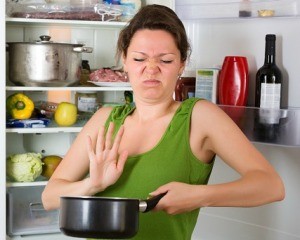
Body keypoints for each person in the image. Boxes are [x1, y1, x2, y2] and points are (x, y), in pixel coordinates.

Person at [42, 4, 285, 240]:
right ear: (124, 60)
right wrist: (92, 185)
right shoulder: (104, 119)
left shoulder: (199, 117)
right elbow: (50, 197)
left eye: (165, 60)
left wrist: (199, 195)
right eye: (139, 59)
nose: (151, 69)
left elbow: (270, 185)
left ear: (181, 64)